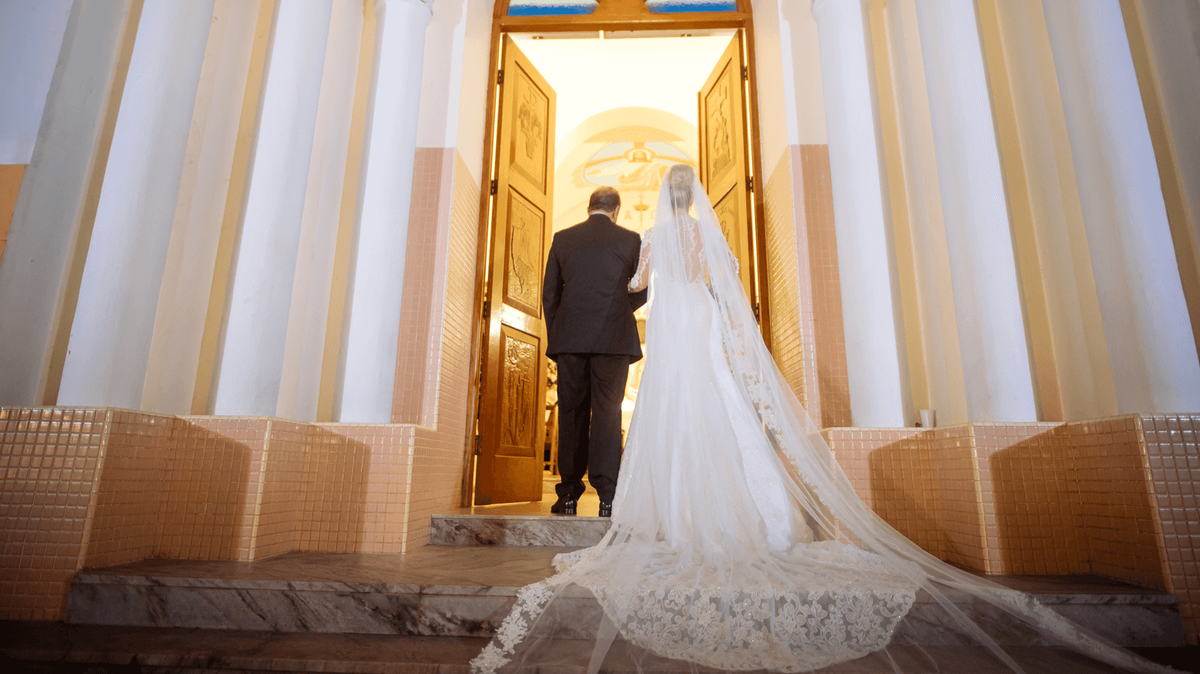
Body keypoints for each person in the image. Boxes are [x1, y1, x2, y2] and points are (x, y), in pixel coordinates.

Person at [473, 165, 1172, 674]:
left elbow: (592, 290)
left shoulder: (609, 237)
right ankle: (671, 499)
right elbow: (701, 286)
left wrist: (590, 311)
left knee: (621, 417)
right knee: (689, 414)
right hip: (680, 332)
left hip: (609, 332)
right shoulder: (678, 239)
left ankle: (598, 497)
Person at [542, 186, 647, 517]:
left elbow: (549, 295)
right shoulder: (630, 239)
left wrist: (561, 334)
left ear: (589, 208)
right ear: (616, 210)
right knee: (608, 412)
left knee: (571, 412)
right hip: (614, 341)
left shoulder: (562, 238)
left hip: (570, 340)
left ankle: (569, 496)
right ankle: (608, 498)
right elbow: (642, 291)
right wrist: (617, 309)